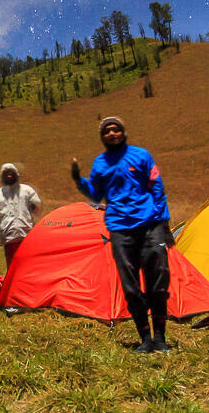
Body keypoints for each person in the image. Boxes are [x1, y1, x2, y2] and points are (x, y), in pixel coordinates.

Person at [71, 116, 173, 354]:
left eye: (116, 129)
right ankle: (145, 339)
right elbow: (96, 194)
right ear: (102, 137)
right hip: (119, 229)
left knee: (158, 280)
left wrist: (163, 223)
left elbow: (157, 188)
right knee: (131, 287)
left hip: (149, 225)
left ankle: (160, 338)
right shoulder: (100, 164)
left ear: (123, 133)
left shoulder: (141, 156)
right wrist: (79, 180)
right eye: (107, 131)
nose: (112, 133)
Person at [0, 163, 42, 267]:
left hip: (26, 235)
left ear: (17, 175)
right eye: (6, 174)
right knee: (13, 266)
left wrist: (30, 210)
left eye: (11, 173)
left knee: (28, 265)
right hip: (9, 237)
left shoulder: (26, 190)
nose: (9, 176)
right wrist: (2, 218)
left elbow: (37, 205)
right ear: (2, 177)